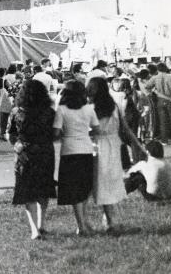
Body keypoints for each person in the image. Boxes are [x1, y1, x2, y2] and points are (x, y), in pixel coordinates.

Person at [87, 77, 146, 231]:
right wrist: (139, 147)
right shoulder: (113, 106)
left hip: (98, 146)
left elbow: (92, 130)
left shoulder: (90, 108)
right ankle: (109, 220)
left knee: (101, 184)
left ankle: (109, 221)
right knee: (112, 182)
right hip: (114, 146)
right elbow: (126, 129)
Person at [9, 80, 56, 240]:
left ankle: (34, 229)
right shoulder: (49, 112)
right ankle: (42, 224)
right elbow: (54, 134)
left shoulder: (17, 112)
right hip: (45, 152)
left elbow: (10, 134)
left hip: (24, 153)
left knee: (27, 191)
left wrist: (17, 145)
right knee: (44, 188)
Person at [53, 80, 100, 236]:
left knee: (73, 189)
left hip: (68, 151)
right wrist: (84, 134)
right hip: (86, 149)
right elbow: (97, 129)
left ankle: (81, 224)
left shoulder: (61, 109)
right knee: (85, 187)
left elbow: (56, 133)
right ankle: (84, 221)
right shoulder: (88, 109)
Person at [144, 62, 171, 144]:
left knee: (163, 121)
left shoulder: (154, 78)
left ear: (158, 69)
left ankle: (164, 140)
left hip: (160, 101)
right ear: (166, 68)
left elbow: (147, 87)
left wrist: (154, 91)